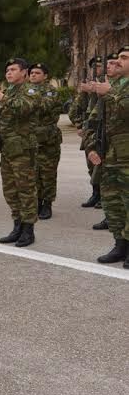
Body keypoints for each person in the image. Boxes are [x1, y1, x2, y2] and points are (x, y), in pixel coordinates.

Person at [0, 58, 38, 247]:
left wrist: (1, 97)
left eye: (13, 69)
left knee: (26, 190)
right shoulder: (8, 92)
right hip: (7, 149)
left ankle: (28, 230)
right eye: (7, 70)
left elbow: (24, 108)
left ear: (24, 72)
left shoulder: (30, 90)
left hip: (23, 150)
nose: (9, 73)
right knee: (10, 191)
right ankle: (17, 226)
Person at [86, 45, 129, 267]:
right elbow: (93, 122)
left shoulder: (110, 90)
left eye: (125, 58)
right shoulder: (108, 87)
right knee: (112, 203)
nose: (119, 61)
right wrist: (91, 148)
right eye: (118, 57)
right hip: (109, 157)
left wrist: (109, 93)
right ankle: (119, 244)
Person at [69, 56, 104, 208]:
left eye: (99, 66)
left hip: (102, 131)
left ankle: (105, 196)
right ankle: (96, 194)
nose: (96, 69)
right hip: (89, 132)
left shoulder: (105, 86)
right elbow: (74, 111)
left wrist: (94, 91)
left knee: (103, 165)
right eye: (94, 67)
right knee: (91, 165)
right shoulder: (88, 87)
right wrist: (79, 125)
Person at [29, 62, 61, 220]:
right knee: (33, 173)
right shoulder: (26, 90)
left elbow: (43, 107)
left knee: (47, 174)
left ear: (45, 76)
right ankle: (38, 201)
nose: (33, 75)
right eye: (31, 73)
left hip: (48, 140)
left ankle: (47, 204)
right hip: (31, 139)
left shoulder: (51, 91)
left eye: (37, 73)